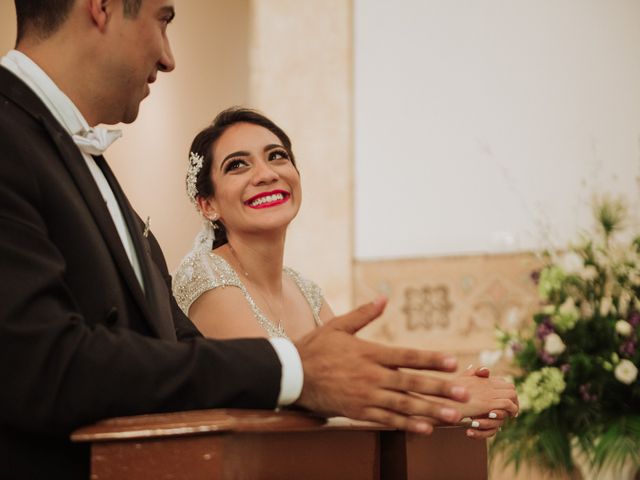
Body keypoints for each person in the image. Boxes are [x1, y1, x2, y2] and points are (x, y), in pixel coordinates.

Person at [0, 1, 492, 478]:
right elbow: (43, 365)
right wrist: (296, 370)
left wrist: (438, 395)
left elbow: (179, 353)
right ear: (101, 7)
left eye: (277, 157)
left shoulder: (90, 170)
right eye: (163, 20)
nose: (169, 58)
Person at [173, 106, 518, 437]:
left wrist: (456, 401)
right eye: (237, 165)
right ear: (208, 204)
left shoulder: (302, 287)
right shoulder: (205, 276)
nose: (266, 174)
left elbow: (364, 382)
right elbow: (285, 390)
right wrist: (452, 398)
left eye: (277, 156)